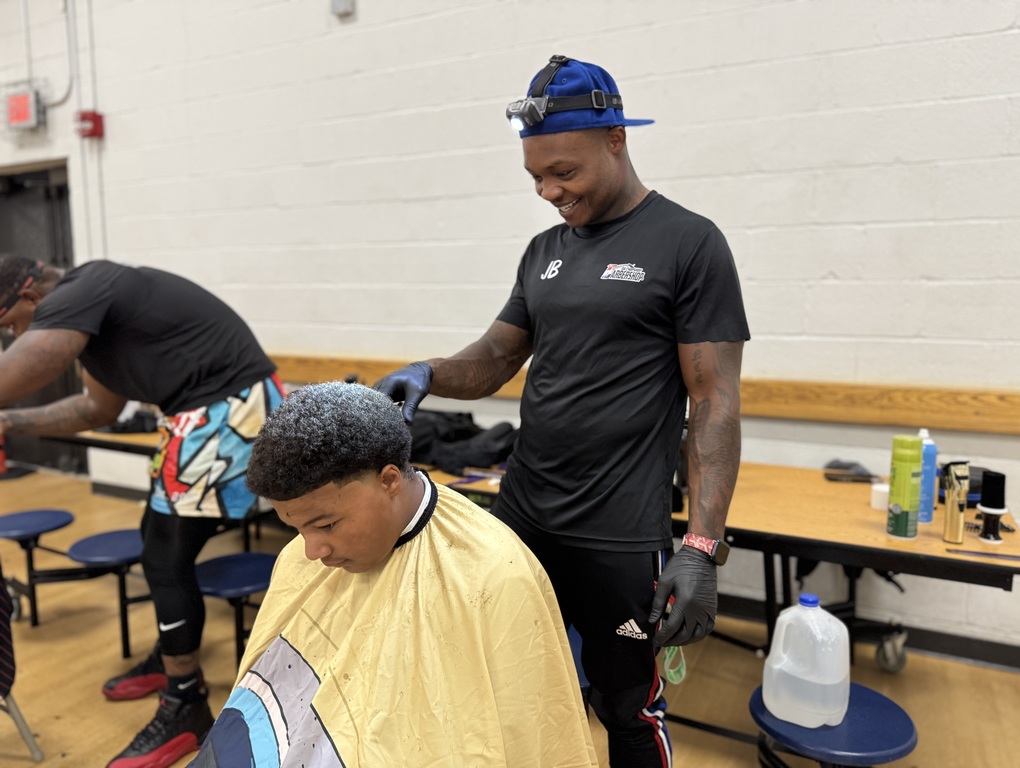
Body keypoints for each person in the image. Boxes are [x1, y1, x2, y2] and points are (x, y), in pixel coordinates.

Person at [374, 55, 749, 767]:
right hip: (523, 517)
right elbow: (497, 355)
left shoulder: (689, 243)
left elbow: (714, 401)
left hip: (617, 534)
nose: (549, 192)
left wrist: (702, 547)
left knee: (626, 709)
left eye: (564, 173)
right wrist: (427, 373)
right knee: (510, 690)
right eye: (536, 178)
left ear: (617, 139)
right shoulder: (543, 251)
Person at [187, 382, 599, 767]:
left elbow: (532, 737)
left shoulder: (495, 574)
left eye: (326, 525)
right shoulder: (303, 553)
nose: (312, 552)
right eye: (296, 528)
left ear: (389, 480)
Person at [0, 256, 286, 768]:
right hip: (199, 414)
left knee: (164, 555)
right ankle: (174, 652)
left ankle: (185, 703)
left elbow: (27, 365)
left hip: (226, 408)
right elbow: (97, 409)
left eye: (10, 325)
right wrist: (9, 422)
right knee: (158, 540)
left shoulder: (84, 286)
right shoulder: (92, 319)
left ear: (29, 295)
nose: (15, 337)